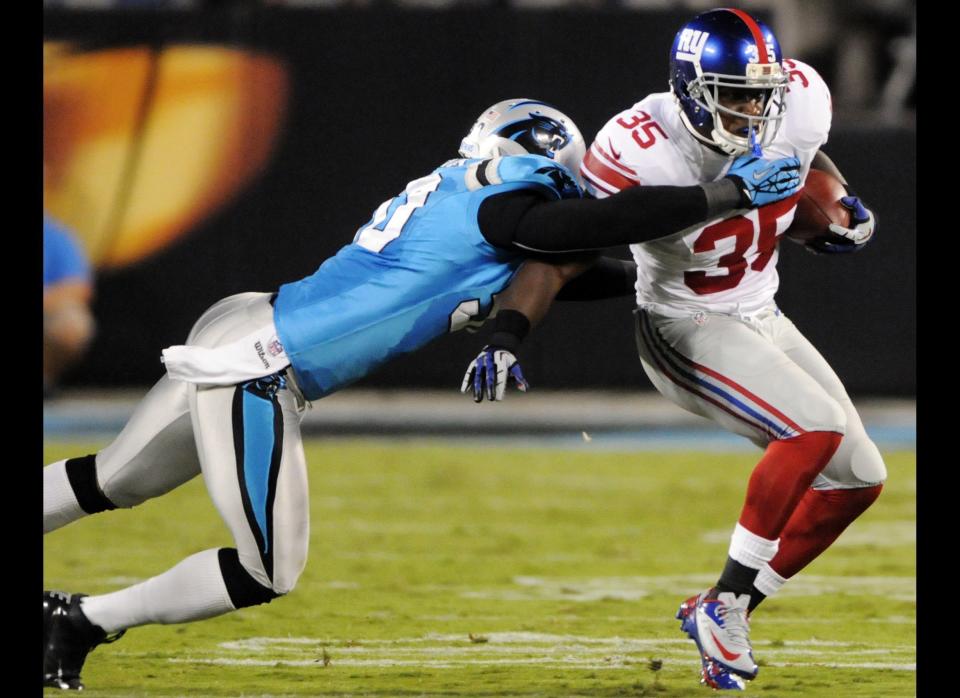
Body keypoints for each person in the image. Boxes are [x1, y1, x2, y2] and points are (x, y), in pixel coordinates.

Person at [42, 97, 800, 691]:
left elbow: (586, 266)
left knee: (110, 480)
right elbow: (589, 223)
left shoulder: (468, 209)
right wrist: (726, 194)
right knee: (268, 567)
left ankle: (73, 619)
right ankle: (79, 621)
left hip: (246, 325)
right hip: (260, 365)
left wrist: (719, 260)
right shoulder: (506, 197)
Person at [464, 10, 883, 692]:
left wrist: (833, 201)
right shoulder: (637, 145)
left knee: (859, 477)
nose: (755, 109)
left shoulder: (799, 98)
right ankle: (724, 605)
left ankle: (729, 605)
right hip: (684, 324)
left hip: (758, 309)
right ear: (691, 88)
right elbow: (570, 255)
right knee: (815, 428)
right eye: (736, 94)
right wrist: (510, 330)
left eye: (763, 93)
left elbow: (804, 155)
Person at [44, 214, 96, 398]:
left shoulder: (54, 234)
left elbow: (78, 288)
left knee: (72, 320)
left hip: (46, 314)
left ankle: (45, 378)